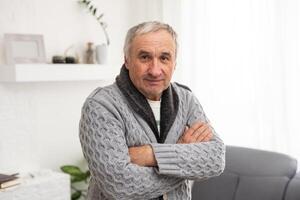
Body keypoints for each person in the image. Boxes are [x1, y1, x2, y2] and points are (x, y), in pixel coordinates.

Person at [79, 21, 225, 200]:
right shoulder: (101, 106)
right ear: (127, 60)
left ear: (174, 63)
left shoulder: (186, 99)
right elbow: (119, 186)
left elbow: (215, 159)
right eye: (145, 57)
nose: (155, 71)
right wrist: (183, 160)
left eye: (164, 58)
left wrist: (151, 155)